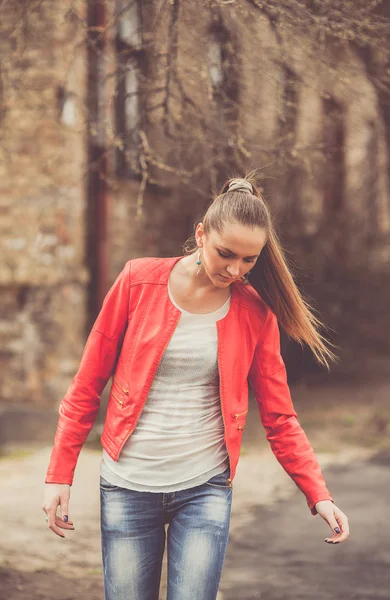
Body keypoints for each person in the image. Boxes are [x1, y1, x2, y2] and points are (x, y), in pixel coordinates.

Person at [43, 175, 349, 600]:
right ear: (200, 234)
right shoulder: (137, 281)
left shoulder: (255, 313)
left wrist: (319, 494)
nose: (235, 270)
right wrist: (60, 474)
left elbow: (280, 416)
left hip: (204, 486)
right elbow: (87, 384)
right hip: (129, 483)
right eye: (226, 254)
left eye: (249, 260)